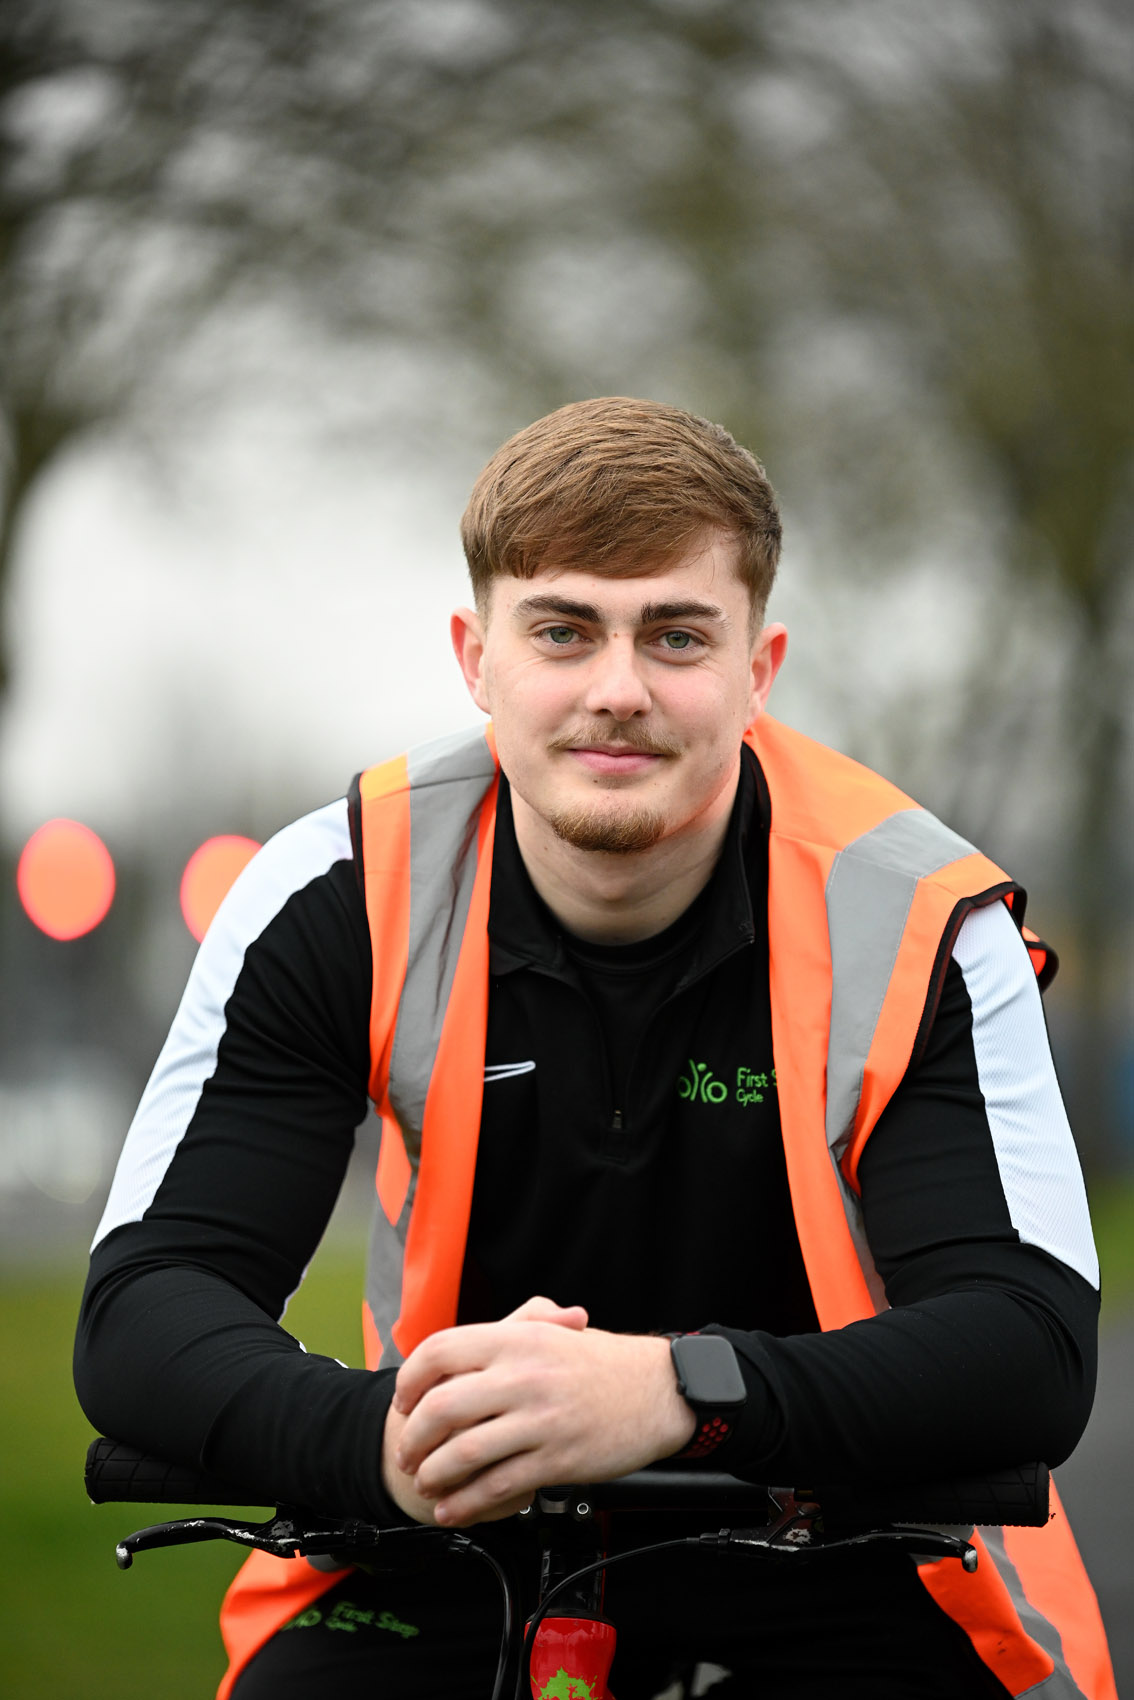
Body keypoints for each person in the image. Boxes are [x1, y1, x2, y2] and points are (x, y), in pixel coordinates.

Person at [75, 397, 1114, 1699]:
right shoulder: (333, 890)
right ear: (476, 657)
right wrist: (378, 1440)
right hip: (444, 1520)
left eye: (676, 636)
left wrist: (679, 1389)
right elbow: (141, 1315)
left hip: (849, 1543)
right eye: (561, 629)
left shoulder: (919, 913)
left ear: (759, 669)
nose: (616, 690)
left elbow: (1029, 1349)